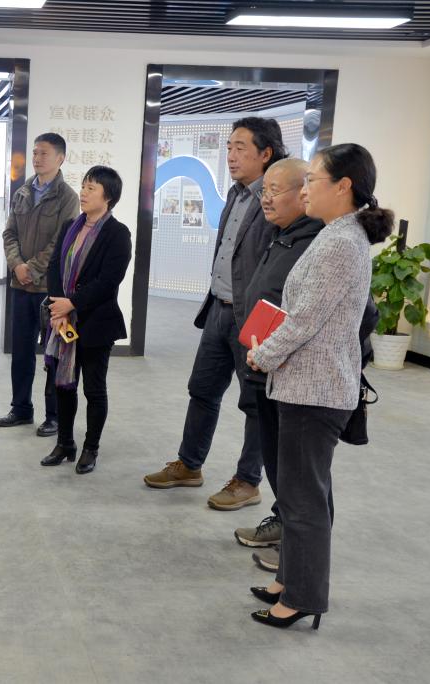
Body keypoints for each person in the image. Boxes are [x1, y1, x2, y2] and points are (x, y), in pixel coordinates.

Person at [246, 143, 392, 629]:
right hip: (310, 385)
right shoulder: (338, 234)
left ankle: (302, 597)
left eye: (313, 180)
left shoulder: (339, 243)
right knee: (298, 494)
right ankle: (289, 580)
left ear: (343, 186)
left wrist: (263, 354)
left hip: (315, 390)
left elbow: (305, 319)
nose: (305, 189)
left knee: (303, 500)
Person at [144, 118, 285, 510]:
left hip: (251, 317)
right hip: (218, 308)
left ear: (266, 153)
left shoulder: (274, 200)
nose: (231, 155)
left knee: (255, 404)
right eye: (228, 147)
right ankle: (189, 465)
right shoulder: (236, 194)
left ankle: (248, 481)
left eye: (241, 148)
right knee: (202, 390)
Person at [232, 158, 324, 551]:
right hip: (265, 365)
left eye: (275, 190)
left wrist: (272, 352)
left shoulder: (319, 244)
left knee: (298, 469)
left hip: (292, 373)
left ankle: (296, 550)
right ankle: (284, 526)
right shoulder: (282, 234)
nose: (266, 199)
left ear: (304, 192)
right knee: (276, 458)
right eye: (264, 191)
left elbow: (310, 318)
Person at [40, 166, 131, 474]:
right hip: (63, 320)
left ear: (108, 196)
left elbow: (109, 281)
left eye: (91, 188)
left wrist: (73, 303)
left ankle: (91, 448)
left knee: (94, 389)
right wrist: (59, 306)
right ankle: (65, 443)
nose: (83, 192)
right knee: (63, 385)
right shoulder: (70, 226)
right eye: (83, 186)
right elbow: (54, 266)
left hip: (95, 324)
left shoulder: (118, 234)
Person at [0, 133, 80, 436]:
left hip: (50, 291)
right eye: (35, 152)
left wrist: (30, 269)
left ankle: (54, 416)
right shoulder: (22, 192)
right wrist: (17, 265)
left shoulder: (68, 198)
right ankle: (21, 409)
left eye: (44, 153)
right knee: (21, 352)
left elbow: (61, 243)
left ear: (60, 158)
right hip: (21, 287)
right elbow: (9, 234)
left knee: (53, 354)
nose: (37, 158)